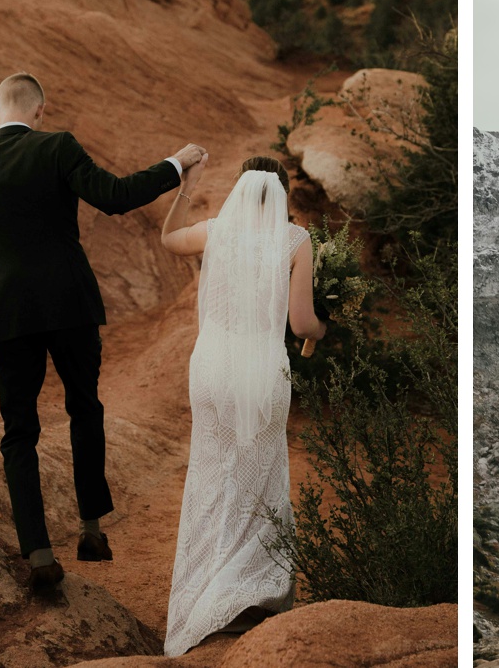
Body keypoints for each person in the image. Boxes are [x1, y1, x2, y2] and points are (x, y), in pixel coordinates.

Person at [0, 72, 204, 590]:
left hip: (8, 311)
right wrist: (176, 164)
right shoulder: (57, 147)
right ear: (40, 110)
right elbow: (116, 196)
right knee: (85, 406)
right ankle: (92, 529)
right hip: (71, 302)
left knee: (19, 431)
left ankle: (38, 555)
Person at [159, 154, 326, 656]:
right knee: (261, 475)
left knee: (210, 476)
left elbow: (169, 238)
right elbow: (300, 324)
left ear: (240, 190)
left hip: (211, 367)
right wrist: (323, 329)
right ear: (281, 194)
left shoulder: (215, 231)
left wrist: (186, 187)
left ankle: (201, 594)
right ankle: (248, 595)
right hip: (260, 370)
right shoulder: (296, 240)